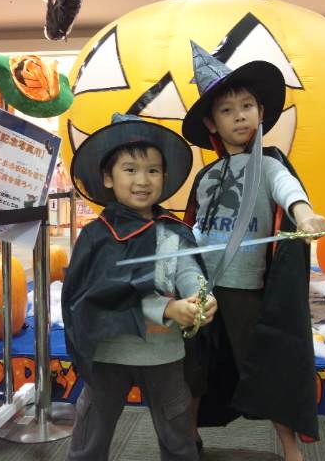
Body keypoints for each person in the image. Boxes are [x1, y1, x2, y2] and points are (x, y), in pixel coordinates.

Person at [181, 42, 325, 461]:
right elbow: (195, 225)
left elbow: (287, 189)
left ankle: (291, 450)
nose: (240, 115)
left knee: (266, 367)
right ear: (211, 121)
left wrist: (305, 215)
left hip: (246, 289)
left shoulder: (268, 164)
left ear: (261, 112)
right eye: (227, 110)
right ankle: (186, 442)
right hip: (201, 288)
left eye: (247, 106)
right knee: (194, 369)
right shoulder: (207, 175)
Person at [62, 113, 217, 461]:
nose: (142, 180)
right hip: (109, 355)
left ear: (165, 176)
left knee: (177, 433)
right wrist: (167, 308)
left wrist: (200, 296)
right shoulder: (97, 236)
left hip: (163, 355)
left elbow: (187, 269)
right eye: (130, 169)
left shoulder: (172, 230)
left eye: (153, 170)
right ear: (108, 177)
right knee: (92, 432)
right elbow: (99, 293)